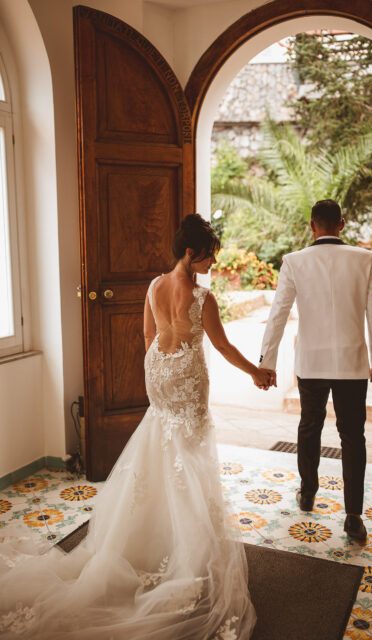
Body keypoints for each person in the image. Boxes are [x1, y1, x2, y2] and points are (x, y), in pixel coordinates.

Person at [0, 214, 272, 639]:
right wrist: (255, 371)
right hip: (186, 376)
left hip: (159, 371)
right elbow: (221, 345)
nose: (211, 263)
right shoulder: (203, 298)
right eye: (207, 256)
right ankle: (185, 551)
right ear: (189, 252)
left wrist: (160, 369)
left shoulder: (153, 286)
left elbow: (147, 336)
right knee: (190, 452)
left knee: (162, 442)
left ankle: (149, 538)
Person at [259, 199, 372, 541]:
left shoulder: (294, 262)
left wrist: (266, 363)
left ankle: (308, 491)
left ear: (312, 226)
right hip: (352, 362)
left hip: (312, 362)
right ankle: (354, 515)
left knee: (310, 425)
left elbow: (278, 314)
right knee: (352, 436)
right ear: (341, 224)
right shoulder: (364, 260)